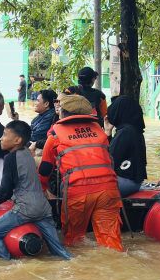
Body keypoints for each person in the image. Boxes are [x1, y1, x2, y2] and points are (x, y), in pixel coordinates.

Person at [38, 94, 123, 251]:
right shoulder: (100, 132)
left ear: (63, 112)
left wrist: (43, 190)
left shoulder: (55, 135)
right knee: (111, 241)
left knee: (74, 240)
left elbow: (44, 168)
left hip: (78, 192)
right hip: (109, 190)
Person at [0, 120, 72, 261]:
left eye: (5, 134)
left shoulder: (10, 158)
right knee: (60, 251)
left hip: (26, 209)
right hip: (43, 208)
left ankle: (9, 265)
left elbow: (6, 188)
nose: (1, 138)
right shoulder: (27, 152)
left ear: (17, 140)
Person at [106, 96, 147, 196]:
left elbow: (108, 160)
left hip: (124, 182)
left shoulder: (125, 132)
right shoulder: (135, 130)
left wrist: (106, 134)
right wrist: (108, 132)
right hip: (133, 181)